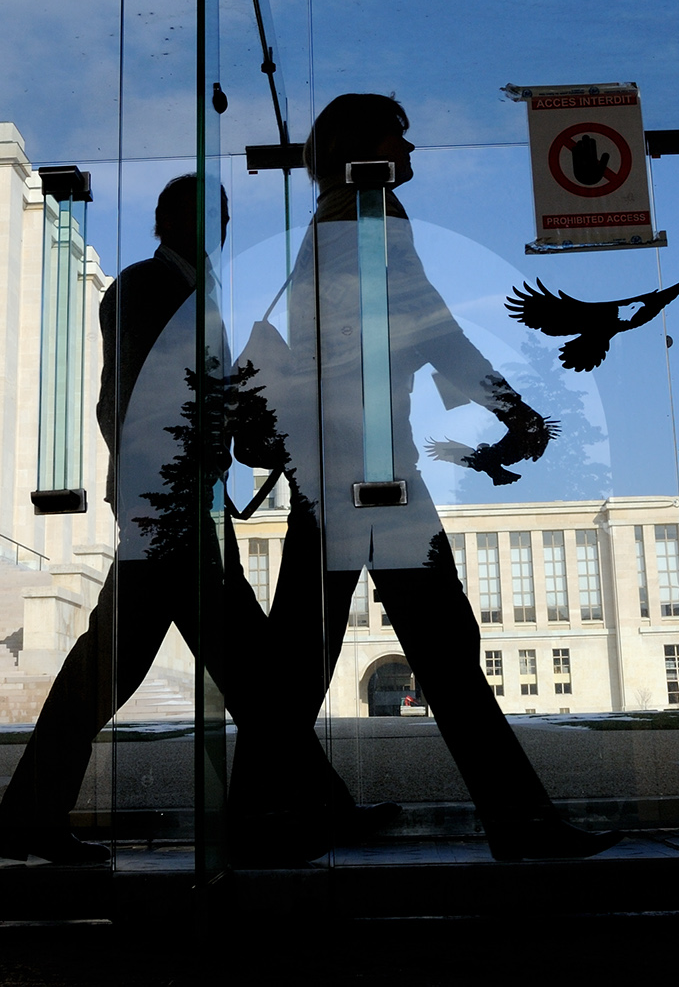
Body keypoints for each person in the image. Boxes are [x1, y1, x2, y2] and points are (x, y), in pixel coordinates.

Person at [253, 93, 621, 861]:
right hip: (372, 472)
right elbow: (431, 328)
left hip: (344, 468)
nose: (414, 146)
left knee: (304, 661)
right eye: (400, 132)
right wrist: (515, 410)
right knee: (442, 654)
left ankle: (268, 821)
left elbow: (414, 330)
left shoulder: (339, 218)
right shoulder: (367, 215)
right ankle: (521, 825)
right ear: (366, 146)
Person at [0, 174, 369, 864]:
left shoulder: (178, 293)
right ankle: (28, 818)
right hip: (168, 509)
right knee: (141, 670)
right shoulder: (145, 289)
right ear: (187, 221)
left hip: (175, 507)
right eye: (217, 213)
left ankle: (323, 807)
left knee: (223, 670)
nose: (224, 225)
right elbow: (135, 403)